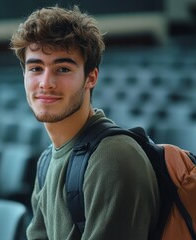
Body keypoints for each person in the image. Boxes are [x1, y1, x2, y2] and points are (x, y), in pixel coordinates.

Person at [10, 5, 160, 240]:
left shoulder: (113, 158)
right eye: (36, 68)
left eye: (63, 68)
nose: (46, 83)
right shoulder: (47, 159)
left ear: (91, 77)